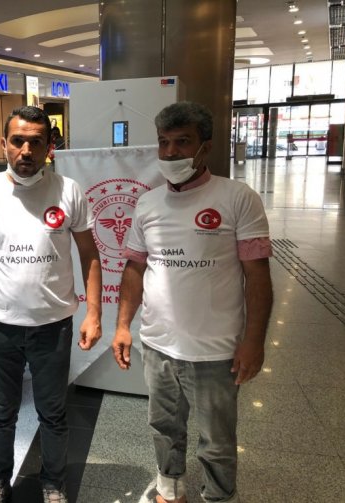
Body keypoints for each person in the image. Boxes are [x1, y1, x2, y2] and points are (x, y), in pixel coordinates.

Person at [112, 101, 273, 503]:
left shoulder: (238, 198)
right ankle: (170, 488)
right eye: (163, 142)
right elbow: (134, 268)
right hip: (158, 344)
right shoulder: (148, 203)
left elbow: (257, 276)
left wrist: (254, 341)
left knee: (217, 439)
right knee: (163, 426)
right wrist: (123, 326)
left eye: (182, 142)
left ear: (206, 146)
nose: (170, 152)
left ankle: (219, 495)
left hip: (216, 350)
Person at [0, 106, 102, 503]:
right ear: (4, 144)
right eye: (17, 141)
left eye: (36, 142)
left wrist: (94, 313)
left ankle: (53, 483)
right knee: (2, 413)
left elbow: (90, 254)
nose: (26, 150)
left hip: (53, 326)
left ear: (49, 146)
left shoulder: (69, 191)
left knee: (53, 414)